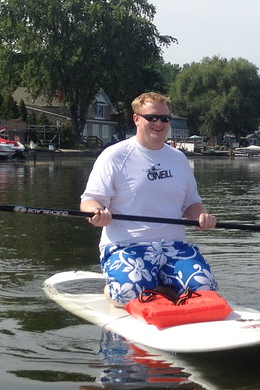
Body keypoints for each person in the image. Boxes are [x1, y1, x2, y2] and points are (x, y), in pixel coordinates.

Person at [80, 91, 218, 306]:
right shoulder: (114, 155)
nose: (159, 123)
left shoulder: (178, 158)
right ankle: (115, 288)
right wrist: (96, 213)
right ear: (136, 119)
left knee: (205, 289)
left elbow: (191, 203)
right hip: (127, 246)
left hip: (174, 246)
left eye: (164, 119)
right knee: (130, 295)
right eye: (152, 117)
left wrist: (201, 216)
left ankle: (159, 286)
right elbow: (90, 200)